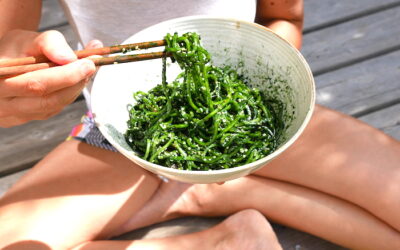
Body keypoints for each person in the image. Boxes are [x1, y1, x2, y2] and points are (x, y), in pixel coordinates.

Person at [0, 0, 399, 249]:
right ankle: (220, 236)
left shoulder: (260, 117)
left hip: (258, 119)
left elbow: (283, 20)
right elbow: (7, 44)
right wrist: (15, 76)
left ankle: (225, 194)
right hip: (120, 129)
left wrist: (264, 59)